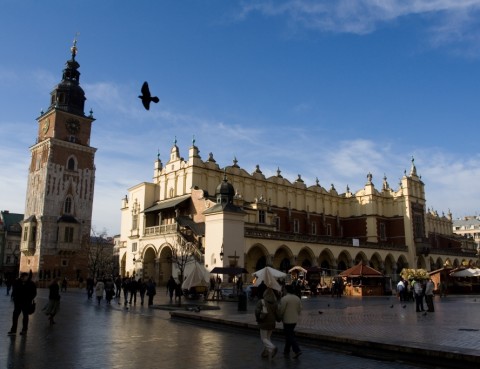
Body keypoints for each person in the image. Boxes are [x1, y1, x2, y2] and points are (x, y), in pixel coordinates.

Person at [277, 284, 302, 358]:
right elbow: (300, 308)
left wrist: (279, 316)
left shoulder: (285, 299)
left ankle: (297, 350)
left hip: (287, 319)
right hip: (294, 319)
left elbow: (281, 310)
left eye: (284, 289)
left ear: (286, 290)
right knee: (289, 334)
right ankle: (286, 350)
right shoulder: (297, 298)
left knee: (289, 335)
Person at [254, 287, 278, 360]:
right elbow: (277, 313)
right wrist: (279, 319)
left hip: (264, 322)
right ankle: (267, 352)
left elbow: (257, 312)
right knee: (268, 338)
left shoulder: (261, 301)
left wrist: (258, 319)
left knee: (263, 338)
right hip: (272, 323)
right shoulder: (275, 303)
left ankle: (272, 348)